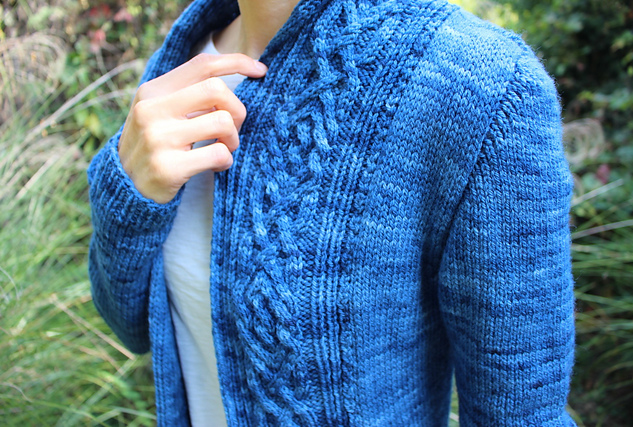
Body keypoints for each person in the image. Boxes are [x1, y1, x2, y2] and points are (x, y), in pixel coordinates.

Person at [87, 0, 577, 425]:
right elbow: (132, 323)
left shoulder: (482, 91)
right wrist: (127, 193)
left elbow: (522, 412)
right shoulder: (180, 64)